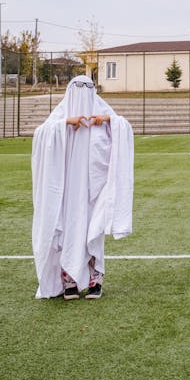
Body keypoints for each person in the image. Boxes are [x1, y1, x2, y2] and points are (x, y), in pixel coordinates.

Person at [31, 75, 134, 300]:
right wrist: (66, 123)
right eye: (78, 88)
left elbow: (124, 127)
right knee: (69, 229)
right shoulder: (60, 115)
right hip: (68, 188)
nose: (83, 93)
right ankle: (68, 280)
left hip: (96, 189)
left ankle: (95, 280)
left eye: (88, 88)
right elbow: (40, 135)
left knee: (93, 231)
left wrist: (107, 120)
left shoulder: (102, 111)